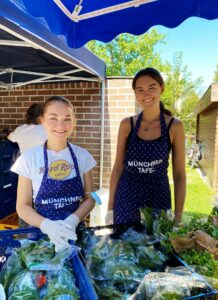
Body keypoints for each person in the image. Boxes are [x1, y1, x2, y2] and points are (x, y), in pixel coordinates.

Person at [11, 96, 96, 251]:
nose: (60, 125)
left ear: (73, 122)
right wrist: (48, 226)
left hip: (75, 235)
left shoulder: (83, 156)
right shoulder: (29, 159)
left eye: (67, 118)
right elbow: (23, 206)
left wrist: (72, 221)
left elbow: (90, 198)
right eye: (53, 118)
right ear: (41, 120)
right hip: (40, 238)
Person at [106, 67, 186, 225]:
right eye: (140, 90)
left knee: (154, 248)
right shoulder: (127, 124)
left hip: (158, 199)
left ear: (162, 88)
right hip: (126, 199)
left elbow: (179, 174)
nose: (146, 94)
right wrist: (110, 208)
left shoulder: (174, 126)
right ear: (135, 93)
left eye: (152, 87)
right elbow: (117, 168)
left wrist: (178, 214)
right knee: (124, 248)